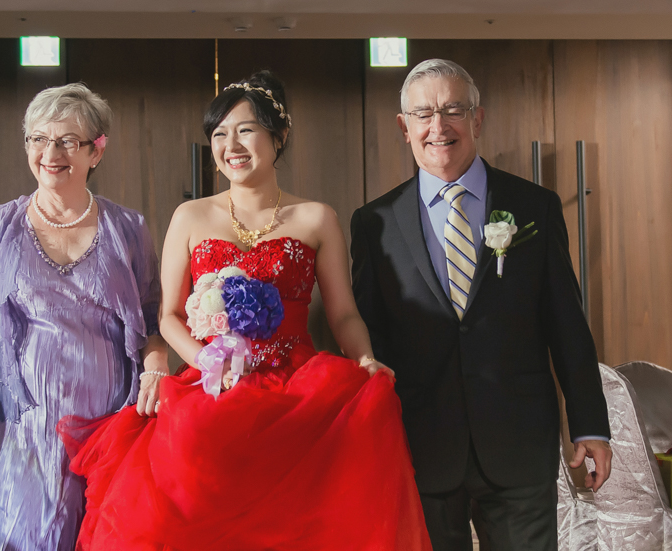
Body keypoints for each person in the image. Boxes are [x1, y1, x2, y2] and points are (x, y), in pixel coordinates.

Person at [57, 71, 432, 550]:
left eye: (245, 130)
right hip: (213, 382)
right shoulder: (190, 216)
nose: (230, 145)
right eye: (219, 134)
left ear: (279, 136)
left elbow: (344, 315)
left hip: (297, 383)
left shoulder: (317, 218)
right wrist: (206, 360)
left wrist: (364, 358)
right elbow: (168, 316)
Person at [350, 58, 612, 551]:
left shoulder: (535, 206)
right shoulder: (374, 223)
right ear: (404, 127)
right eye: (423, 113)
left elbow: (567, 326)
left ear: (478, 118)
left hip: (519, 443)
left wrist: (590, 425)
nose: (438, 126)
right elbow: (369, 338)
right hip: (420, 444)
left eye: (453, 109)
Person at [0, 82, 165, 550]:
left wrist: (156, 369)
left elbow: (153, 323)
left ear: (96, 151)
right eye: (38, 139)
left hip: (109, 430)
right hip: (22, 434)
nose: (51, 153)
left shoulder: (129, 228)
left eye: (68, 141)